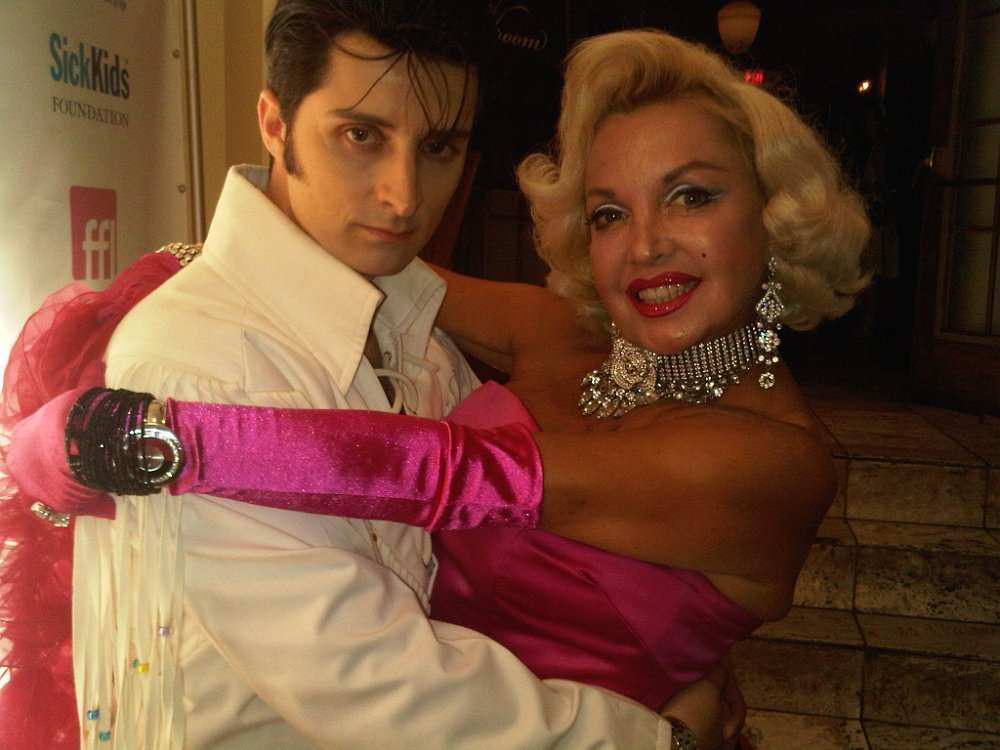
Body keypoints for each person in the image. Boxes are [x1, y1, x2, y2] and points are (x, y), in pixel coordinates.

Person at [7, 25, 871, 750]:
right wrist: (186, 280)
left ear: (774, 214)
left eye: (691, 197)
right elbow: (358, 261)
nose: (645, 245)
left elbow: (444, 474)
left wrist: (150, 439)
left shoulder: (771, 463)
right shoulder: (560, 332)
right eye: (610, 212)